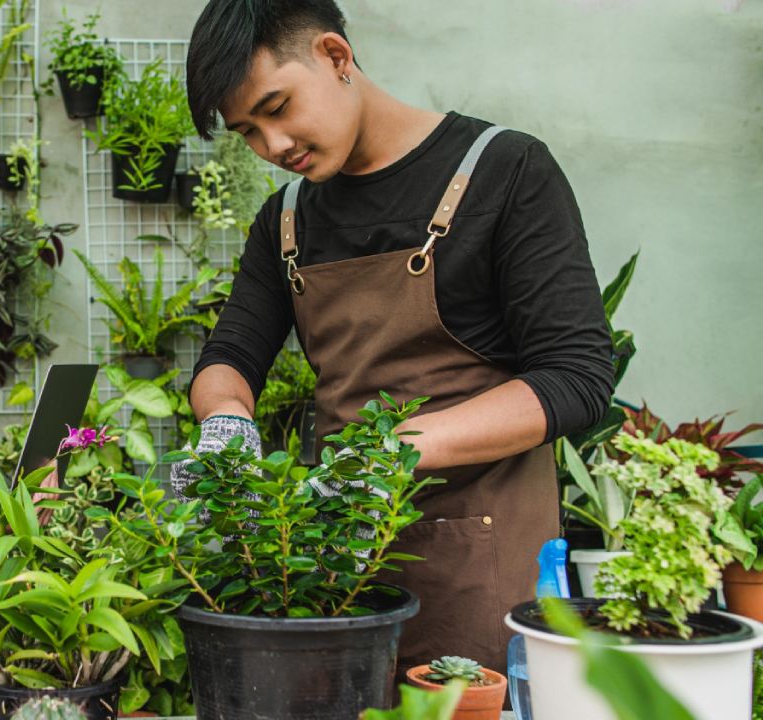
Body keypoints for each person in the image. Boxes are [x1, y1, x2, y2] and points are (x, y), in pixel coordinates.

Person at [176, 0, 615, 675]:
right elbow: (230, 354)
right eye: (247, 132)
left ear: (335, 56)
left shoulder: (505, 172)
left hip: (481, 566)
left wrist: (391, 456)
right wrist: (226, 420)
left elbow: (576, 377)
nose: (273, 145)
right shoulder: (286, 220)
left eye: (278, 106)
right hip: (332, 574)